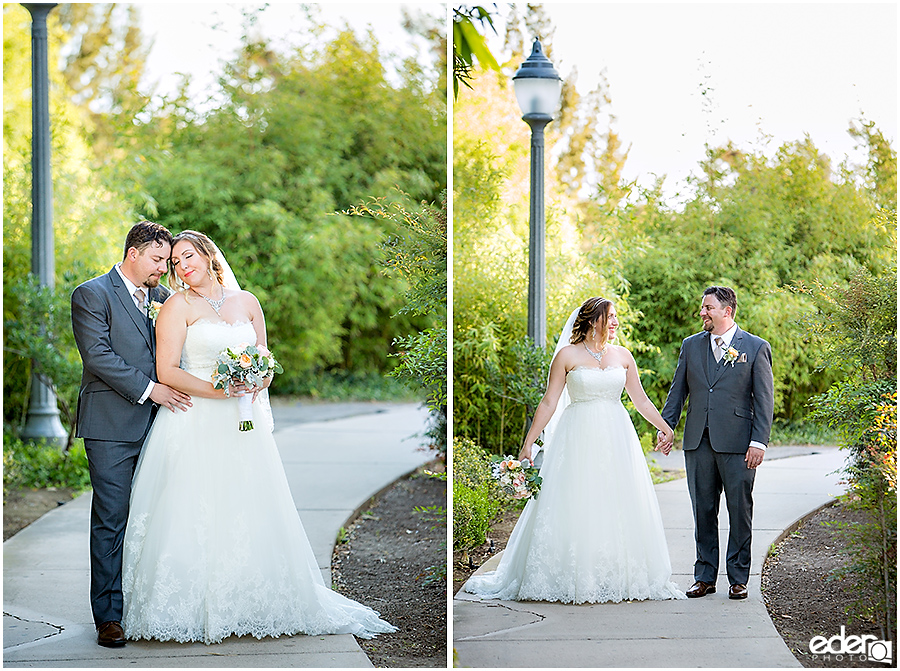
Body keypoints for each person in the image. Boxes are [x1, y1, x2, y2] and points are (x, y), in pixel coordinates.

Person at [121, 230, 396, 644]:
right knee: (195, 509)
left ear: (209, 255)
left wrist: (256, 380)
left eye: (188, 256)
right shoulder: (176, 306)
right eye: (175, 262)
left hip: (242, 425)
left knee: (244, 507)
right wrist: (223, 389)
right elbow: (168, 372)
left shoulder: (247, 302)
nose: (181, 267)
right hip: (194, 421)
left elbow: (265, 362)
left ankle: (248, 602)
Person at [463, 297, 685, 604]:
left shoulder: (623, 356)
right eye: (611, 317)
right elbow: (549, 402)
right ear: (594, 320)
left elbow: (641, 400)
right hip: (577, 436)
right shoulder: (567, 355)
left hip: (616, 434)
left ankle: (613, 574)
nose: (616, 322)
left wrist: (665, 427)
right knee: (576, 500)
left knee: (615, 501)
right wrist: (529, 442)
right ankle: (573, 573)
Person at [71, 221, 192, 648]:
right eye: (158, 260)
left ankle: (149, 605)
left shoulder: (165, 299)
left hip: (165, 426)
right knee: (112, 519)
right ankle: (108, 617)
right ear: (133, 253)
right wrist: (151, 389)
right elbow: (98, 355)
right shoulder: (92, 294)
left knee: (158, 518)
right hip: (110, 427)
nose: (164, 269)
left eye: (167, 261)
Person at [659, 286, 774, 600]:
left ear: (728, 311)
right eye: (702, 308)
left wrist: (759, 442)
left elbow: (764, 401)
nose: (702, 313)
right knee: (703, 511)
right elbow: (677, 393)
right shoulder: (691, 346)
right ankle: (704, 576)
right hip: (698, 442)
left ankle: (738, 578)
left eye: (708, 307)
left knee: (740, 511)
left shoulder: (755, 347)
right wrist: (666, 427)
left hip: (739, 443)